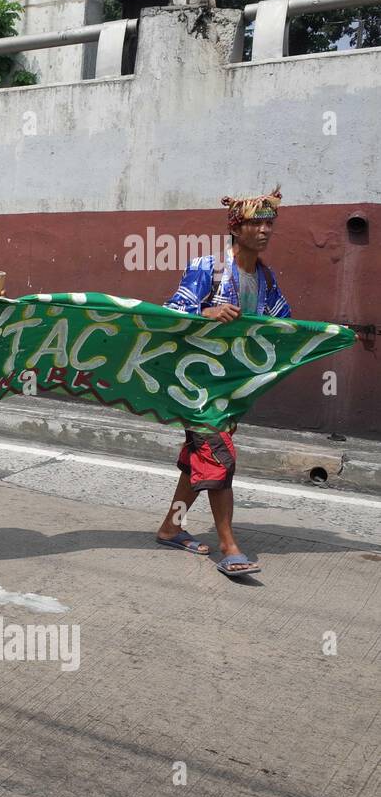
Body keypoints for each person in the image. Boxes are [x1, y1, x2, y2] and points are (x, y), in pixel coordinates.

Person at [155, 186, 291, 578]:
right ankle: (228, 546)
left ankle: (171, 527)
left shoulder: (264, 276)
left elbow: (284, 322)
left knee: (197, 460)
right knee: (219, 456)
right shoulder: (207, 266)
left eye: (269, 223)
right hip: (195, 382)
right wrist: (207, 313)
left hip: (231, 384)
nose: (265, 230)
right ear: (236, 227)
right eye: (256, 223)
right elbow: (169, 316)